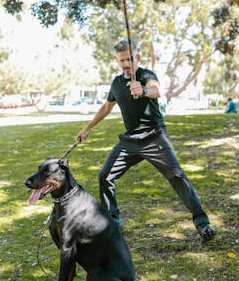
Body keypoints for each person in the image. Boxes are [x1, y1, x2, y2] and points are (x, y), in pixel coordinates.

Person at [76, 40, 217, 244]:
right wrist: (87, 128)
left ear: (138, 58)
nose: (126, 64)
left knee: (177, 176)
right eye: (122, 60)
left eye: (129, 59)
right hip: (130, 141)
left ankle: (203, 225)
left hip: (154, 137)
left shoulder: (146, 76)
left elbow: (156, 90)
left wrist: (142, 90)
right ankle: (112, 223)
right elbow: (107, 107)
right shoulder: (116, 83)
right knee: (104, 176)